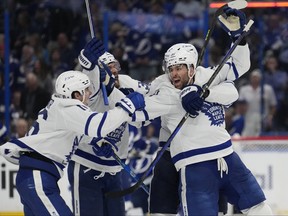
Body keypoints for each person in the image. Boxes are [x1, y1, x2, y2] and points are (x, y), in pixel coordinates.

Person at [109, 6, 273, 215]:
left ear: (192, 68)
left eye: (179, 68)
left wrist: (239, 39)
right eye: (171, 69)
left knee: (259, 207)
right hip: (192, 165)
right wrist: (116, 91)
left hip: (227, 157)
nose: (174, 73)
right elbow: (141, 108)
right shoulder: (166, 90)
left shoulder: (208, 76)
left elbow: (235, 78)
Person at [0, 38, 145, 215]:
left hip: (37, 177)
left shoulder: (63, 108)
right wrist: (126, 107)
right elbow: (98, 126)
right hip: (37, 178)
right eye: (86, 90)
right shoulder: (69, 107)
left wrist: (99, 144)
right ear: (75, 94)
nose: (90, 93)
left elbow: (84, 135)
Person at [67, 49, 142, 216]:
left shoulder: (122, 90)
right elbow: (75, 127)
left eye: (115, 66)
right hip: (86, 165)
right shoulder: (88, 96)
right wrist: (93, 141)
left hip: (113, 170)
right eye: (109, 67)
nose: (114, 70)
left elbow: (141, 119)